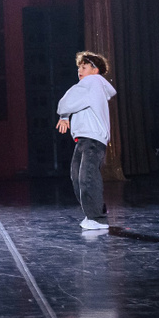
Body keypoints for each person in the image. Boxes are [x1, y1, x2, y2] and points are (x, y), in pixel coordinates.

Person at [54, 51, 116, 232]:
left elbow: (66, 100)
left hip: (92, 140)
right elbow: (73, 102)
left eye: (84, 67)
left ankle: (98, 219)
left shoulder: (93, 82)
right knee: (77, 177)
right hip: (85, 139)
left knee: (87, 178)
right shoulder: (91, 87)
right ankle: (96, 211)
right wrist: (64, 116)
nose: (79, 71)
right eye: (78, 68)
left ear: (95, 70)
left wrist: (64, 114)